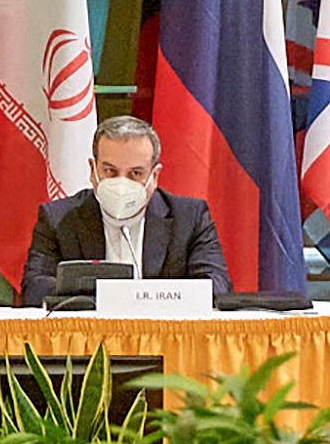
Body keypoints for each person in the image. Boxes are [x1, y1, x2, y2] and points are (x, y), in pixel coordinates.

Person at [17, 116, 232, 307]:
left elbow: (215, 285)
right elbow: (35, 288)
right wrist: (112, 299)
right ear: (93, 171)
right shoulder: (58, 218)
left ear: (154, 176)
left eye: (136, 173)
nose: (122, 183)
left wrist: (141, 299)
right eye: (110, 171)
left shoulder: (189, 218)